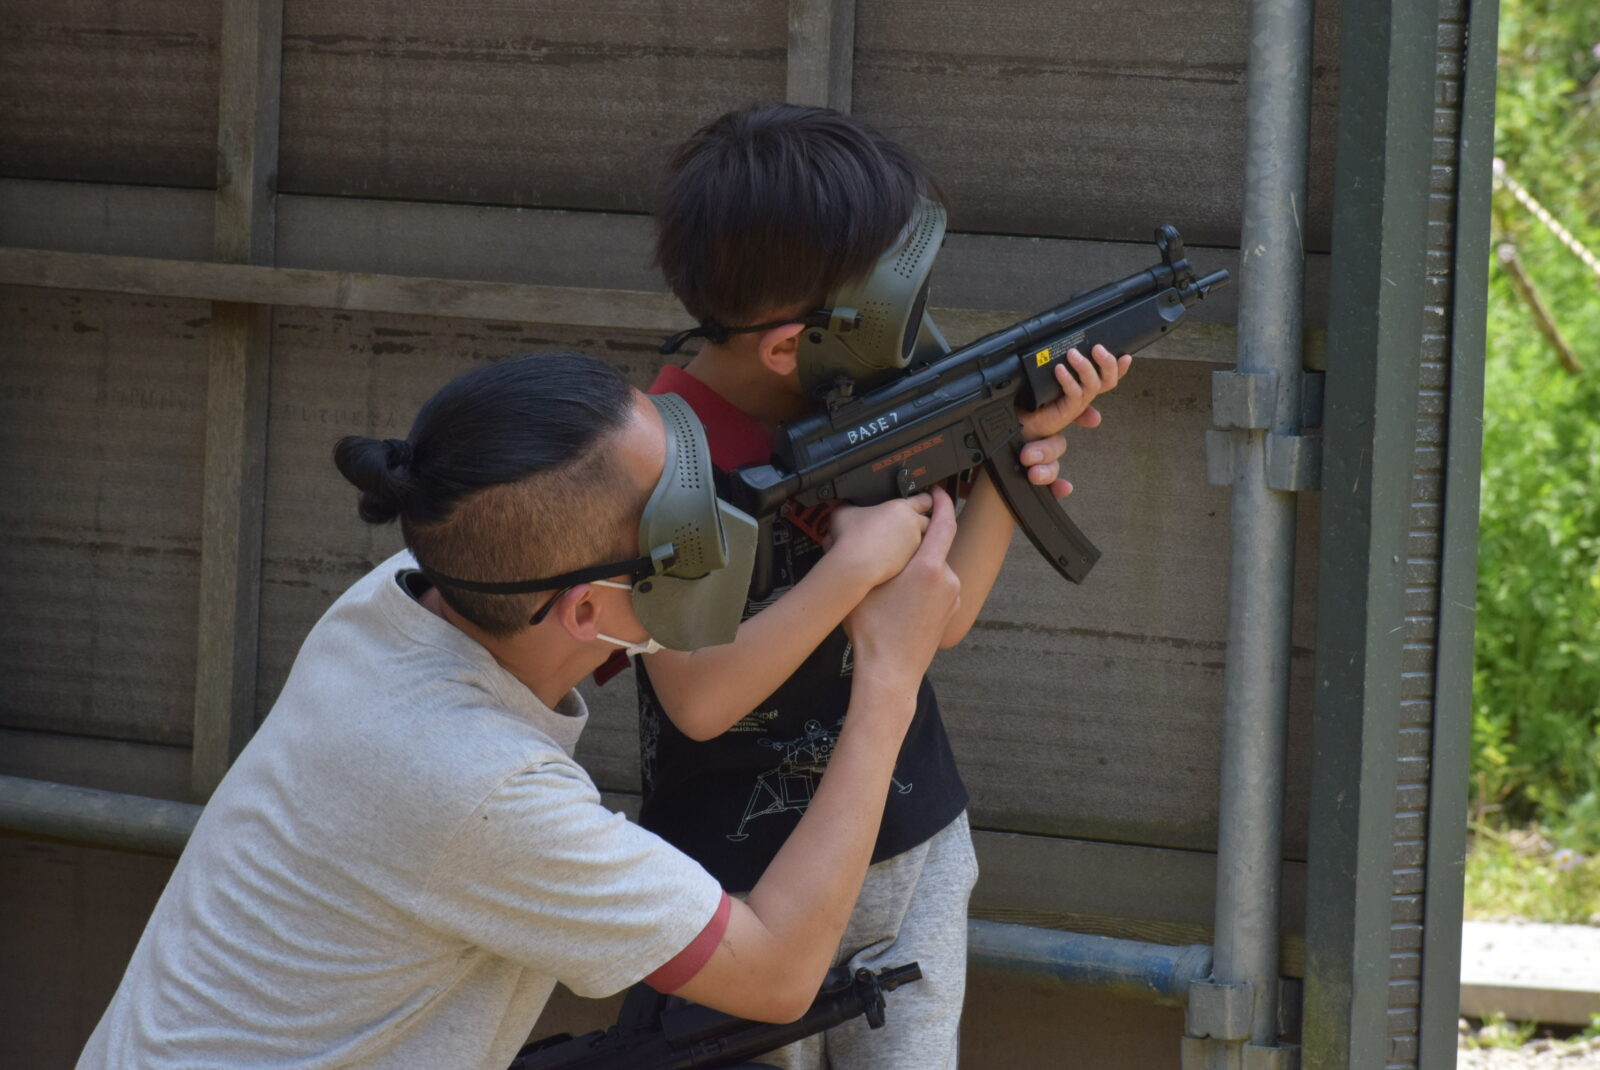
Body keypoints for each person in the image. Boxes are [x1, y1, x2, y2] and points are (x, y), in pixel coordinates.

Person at [76, 351, 999, 1070]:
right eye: (682, 524)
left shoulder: (405, 593)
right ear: (587, 611)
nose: (718, 518)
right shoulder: (480, 785)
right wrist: (888, 672)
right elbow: (779, 973)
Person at [631, 105, 1133, 1070]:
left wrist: (1007, 453)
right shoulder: (662, 456)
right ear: (789, 346)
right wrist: (852, 568)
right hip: (736, 890)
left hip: (915, 849)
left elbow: (943, 619)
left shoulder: (860, 406)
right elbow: (697, 698)